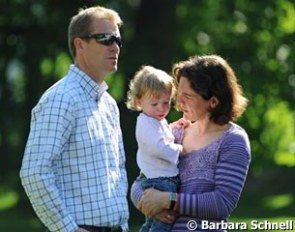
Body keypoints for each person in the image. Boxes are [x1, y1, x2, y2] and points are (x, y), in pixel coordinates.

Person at [19, 5, 129, 232]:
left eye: (117, 40)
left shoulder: (109, 104)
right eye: (105, 38)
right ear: (80, 44)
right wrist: (67, 229)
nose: (115, 47)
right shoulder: (60, 99)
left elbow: (117, 171)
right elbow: (34, 173)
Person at [130, 54, 251, 231]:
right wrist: (150, 206)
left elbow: (222, 203)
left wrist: (168, 200)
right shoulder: (174, 133)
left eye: (187, 96)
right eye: (179, 95)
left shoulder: (233, 141)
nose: (178, 103)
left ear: (213, 101)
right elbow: (139, 183)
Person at [126, 65, 186, 231]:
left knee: (152, 223)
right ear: (139, 101)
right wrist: (180, 150)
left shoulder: (155, 119)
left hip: (159, 178)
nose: (161, 108)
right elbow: (159, 147)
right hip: (159, 181)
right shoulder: (146, 123)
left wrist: (173, 126)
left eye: (166, 102)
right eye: (155, 103)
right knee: (163, 224)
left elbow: (161, 134)